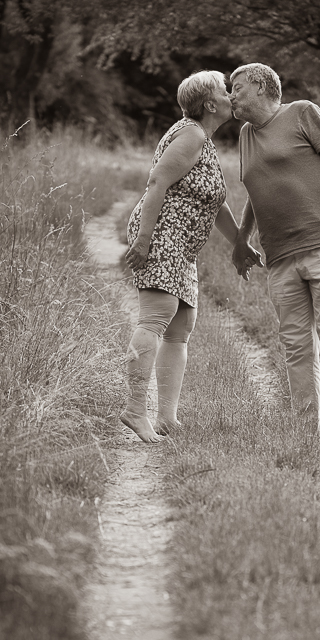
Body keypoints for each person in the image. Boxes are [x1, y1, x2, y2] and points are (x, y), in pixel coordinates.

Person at [123, 70, 262, 442]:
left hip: (183, 246)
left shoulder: (205, 139)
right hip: (163, 235)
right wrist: (144, 240)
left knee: (180, 329)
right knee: (155, 319)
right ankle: (136, 411)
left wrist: (239, 243)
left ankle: (166, 417)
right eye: (223, 89)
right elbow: (156, 183)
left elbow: (214, 203)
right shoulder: (190, 133)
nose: (231, 95)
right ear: (209, 103)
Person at [230, 62, 320, 455]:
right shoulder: (244, 135)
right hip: (280, 256)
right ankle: (307, 428)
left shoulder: (303, 112)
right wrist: (241, 238)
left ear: (260, 87)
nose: (231, 95)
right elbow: (257, 189)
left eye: (236, 87)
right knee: (296, 346)